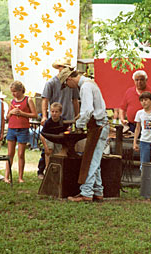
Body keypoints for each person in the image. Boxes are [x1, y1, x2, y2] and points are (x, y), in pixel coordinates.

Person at [57, 68, 109, 202]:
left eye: (66, 84)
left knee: (90, 160)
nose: (68, 87)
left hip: (98, 125)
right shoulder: (90, 83)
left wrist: (79, 125)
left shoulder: (85, 87)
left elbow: (87, 110)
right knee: (95, 159)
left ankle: (86, 192)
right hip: (100, 124)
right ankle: (98, 191)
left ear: (69, 79)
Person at [38, 57, 79, 179]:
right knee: (49, 142)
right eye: (62, 67)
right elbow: (45, 99)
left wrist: (77, 117)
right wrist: (45, 116)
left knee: (67, 143)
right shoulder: (51, 83)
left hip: (68, 117)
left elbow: (75, 100)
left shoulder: (72, 83)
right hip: (55, 118)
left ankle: (65, 169)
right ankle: (43, 169)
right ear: (59, 68)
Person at [5, 81, 37, 183]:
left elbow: (34, 115)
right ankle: (7, 176)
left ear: (20, 90)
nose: (14, 94)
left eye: (15, 91)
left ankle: (20, 177)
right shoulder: (12, 101)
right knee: (10, 153)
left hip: (23, 129)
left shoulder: (28, 100)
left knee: (21, 154)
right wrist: (11, 112)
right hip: (12, 128)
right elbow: (7, 117)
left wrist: (22, 113)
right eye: (12, 92)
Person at [40, 102, 64, 169]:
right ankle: (47, 168)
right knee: (49, 151)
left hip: (58, 139)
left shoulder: (63, 121)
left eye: (56, 112)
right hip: (49, 137)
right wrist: (45, 147)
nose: (54, 113)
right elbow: (42, 135)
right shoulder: (48, 122)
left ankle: (57, 168)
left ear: (60, 113)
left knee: (58, 154)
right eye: (52, 111)